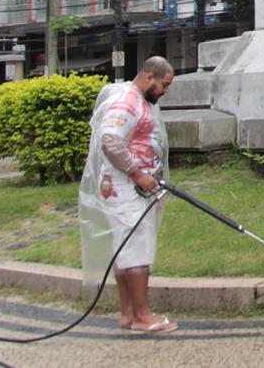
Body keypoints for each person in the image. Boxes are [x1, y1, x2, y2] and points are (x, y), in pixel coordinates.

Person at [78, 56, 176, 333]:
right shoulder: (127, 101)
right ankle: (142, 316)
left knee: (126, 247)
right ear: (149, 77)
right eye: (164, 85)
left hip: (130, 188)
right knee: (136, 248)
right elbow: (110, 141)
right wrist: (138, 174)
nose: (165, 91)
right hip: (125, 188)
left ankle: (129, 314)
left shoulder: (139, 101)